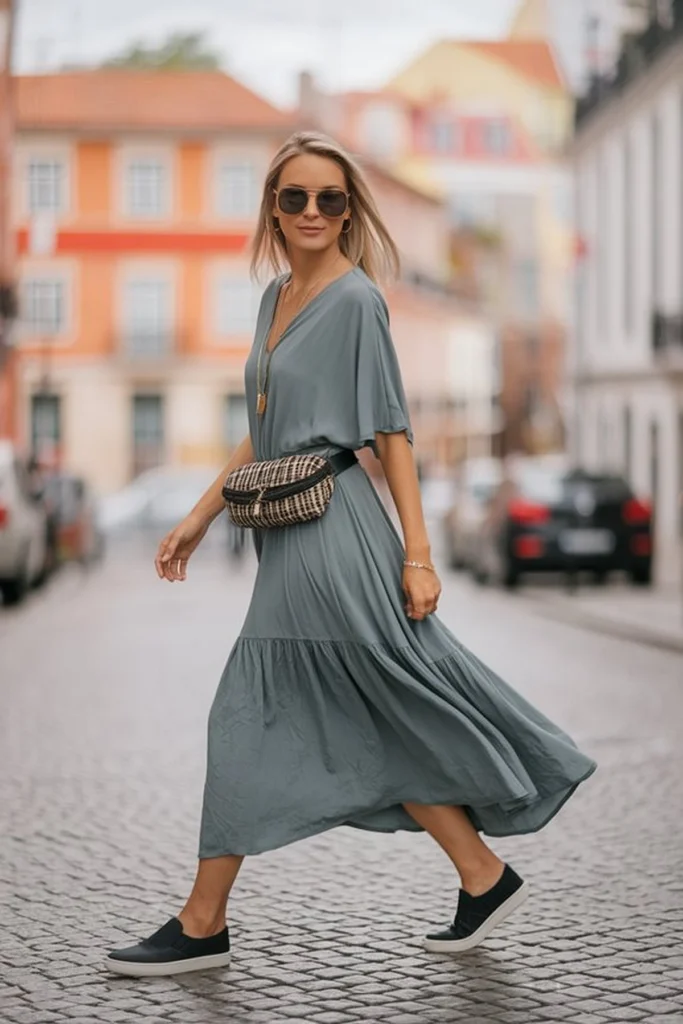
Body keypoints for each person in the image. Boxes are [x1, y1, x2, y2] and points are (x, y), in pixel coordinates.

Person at [106, 132, 597, 977]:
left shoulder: (356, 301)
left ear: (347, 212)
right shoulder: (275, 297)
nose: (311, 211)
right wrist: (198, 515)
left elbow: (391, 434)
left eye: (328, 199)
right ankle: (480, 874)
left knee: (255, 706)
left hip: (336, 532)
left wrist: (419, 554)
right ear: (272, 206)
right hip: (286, 532)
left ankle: (203, 921)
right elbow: (262, 432)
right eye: (294, 197)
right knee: (376, 705)